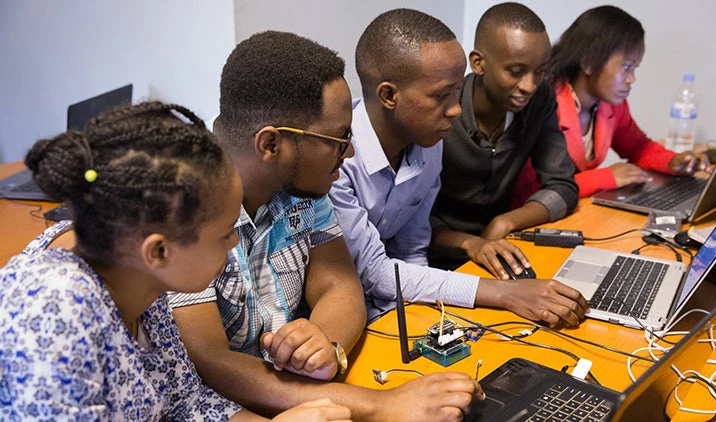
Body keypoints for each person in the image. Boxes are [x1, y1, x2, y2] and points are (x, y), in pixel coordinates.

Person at [168, 31, 483, 421]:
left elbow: (339, 283)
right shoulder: (181, 210)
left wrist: (324, 341)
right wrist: (381, 406)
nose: (348, 152)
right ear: (270, 145)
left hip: (304, 396)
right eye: (338, 138)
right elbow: (211, 364)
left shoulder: (304, 187)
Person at [0, 101, 352, 421]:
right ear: (158, 251)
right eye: (225, 232)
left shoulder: (144, 288)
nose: (234, 243)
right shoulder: (52, 313)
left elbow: (187, 402)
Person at [329, 9, 586, 328]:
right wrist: (507, 293)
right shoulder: (335, 161)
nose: (454, 109)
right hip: (333, 317)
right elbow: (377, 274)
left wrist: (426, 322)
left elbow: (412, 248)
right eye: (441, 95)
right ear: (388, 95)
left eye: (454, 92)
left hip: (385, 301)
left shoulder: (428, 142)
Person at [428, 3, 580, 277]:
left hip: (502, 249)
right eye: (516, 71)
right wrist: (471, 243)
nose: (530, 85)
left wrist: (506, 221)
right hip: (436, 256)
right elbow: (410, 218)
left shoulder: (540, 99)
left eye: (540, 71)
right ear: (478, 63)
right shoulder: (442, 110)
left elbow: (563, 186)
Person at [513, 5, 708, 200]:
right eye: (626, 67)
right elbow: (530, 190)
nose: (632, 78)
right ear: (588, 62)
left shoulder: (612, 105)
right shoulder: (544, 104)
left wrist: (673, 162)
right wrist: (604, 177)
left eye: (635, 68)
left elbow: (638, 147)